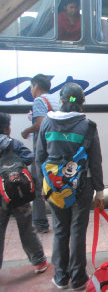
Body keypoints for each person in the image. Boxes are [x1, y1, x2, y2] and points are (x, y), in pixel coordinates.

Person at [35, 83, 104, 290]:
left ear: (61, 100)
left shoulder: (47, 123)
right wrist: (100, 190)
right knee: (77, 230)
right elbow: (95, 161)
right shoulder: (88, 126)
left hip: (54, 186)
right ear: (82, 102)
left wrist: (43, 186)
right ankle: (79, 277)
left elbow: (40, 157)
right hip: (82, 186)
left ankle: (61, 277)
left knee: (60, 229)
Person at [0, 113, 49, 274]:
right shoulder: (13, 144)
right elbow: (29, 157)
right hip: (18, 193)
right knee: (26, 227)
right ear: (7, 128)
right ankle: (39, 261)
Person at [21, 74, 60, 234]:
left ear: (36, 86)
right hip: (56, 148)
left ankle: (41, 224)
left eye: (31, 87)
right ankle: (59, 220)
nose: (30, 91)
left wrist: (26, 131)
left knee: (37, 187)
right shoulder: (56, 99)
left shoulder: (39, 100)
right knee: (55, 184)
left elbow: (41, 123)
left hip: (43, 150)